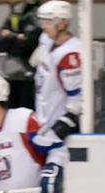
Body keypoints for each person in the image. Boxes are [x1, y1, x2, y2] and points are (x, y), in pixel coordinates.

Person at [34, 0, 82, 141]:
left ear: (62, 23)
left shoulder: (71, 53)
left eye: (48, 22)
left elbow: (76, 97)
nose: (43, 27)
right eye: (42, 22)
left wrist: (66, 121)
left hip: (56, 124)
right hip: (41, 121)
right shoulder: (45, 40)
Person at [0, 0, 42, 109]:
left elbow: (29, 43)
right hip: (13, 74)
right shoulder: (15, 12)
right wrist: (17, 36)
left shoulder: (35, 13)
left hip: (29, 76)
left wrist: (9, 36)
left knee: (28, 113)